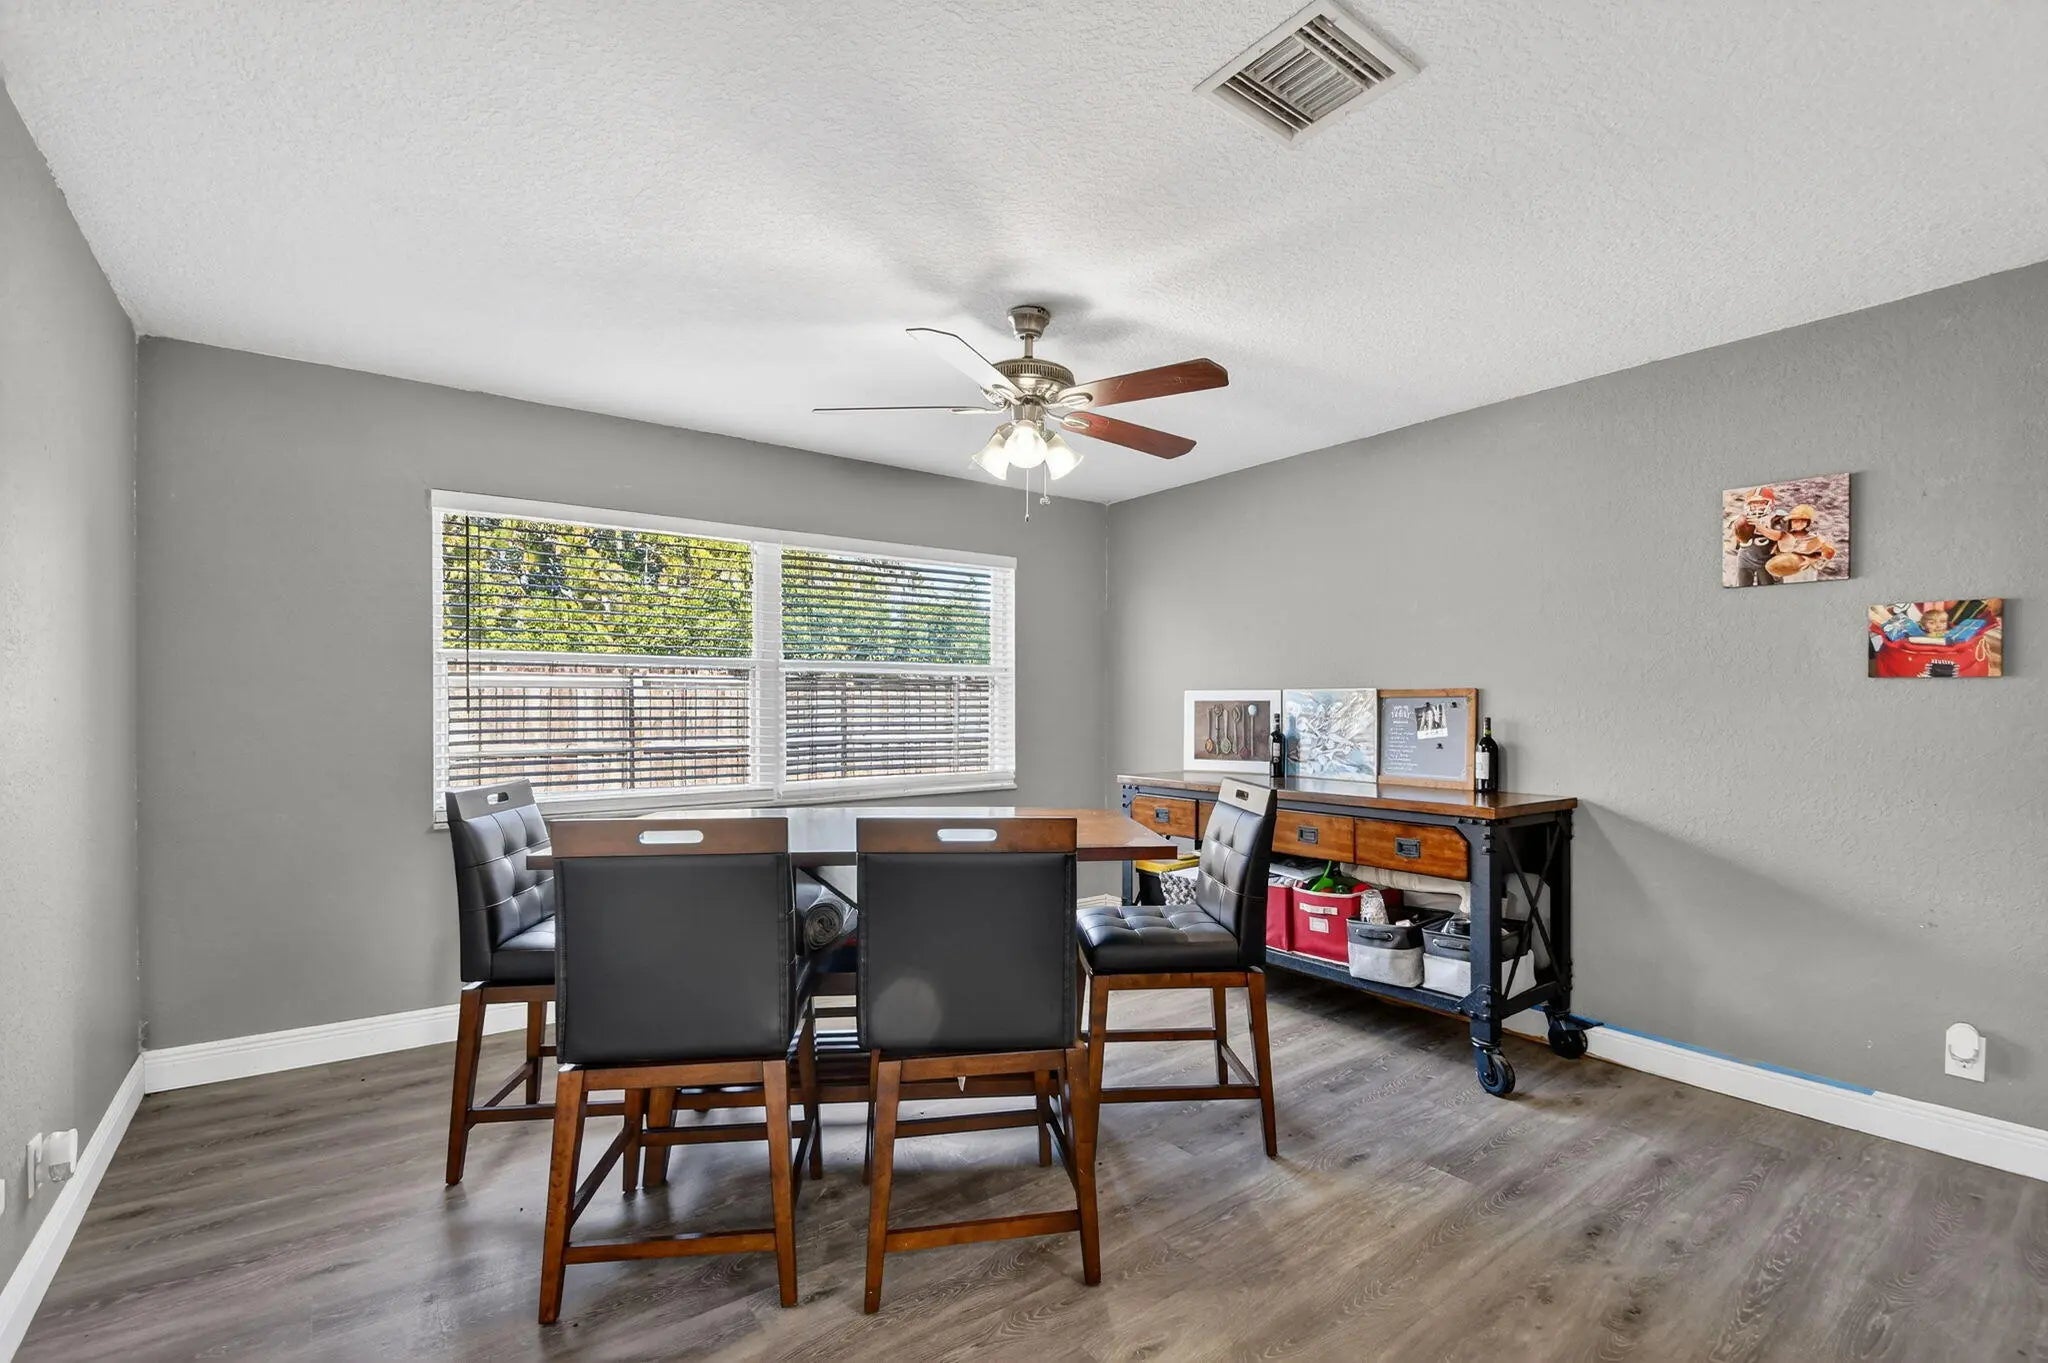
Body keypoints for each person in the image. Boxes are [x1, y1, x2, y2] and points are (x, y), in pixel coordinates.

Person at [1727, 485, 1784, 587]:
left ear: (1770, 504)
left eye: (1761, 503)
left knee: (1767, 586)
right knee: (1742, 587)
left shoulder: (1775, 518)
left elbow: (1778, 536)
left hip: (1766, 560)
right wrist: (1738, 529)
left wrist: (1761, 527)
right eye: (1753, 503)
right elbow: (1733, 544)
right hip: (1744, 560)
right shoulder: (1741, 519)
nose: (1757, 506)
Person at [1770, 504, 1838, 583]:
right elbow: (1777, 554)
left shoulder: (1815, 538)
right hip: (1789, 574)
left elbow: (1828, 553)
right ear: (1790, 522)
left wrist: (1812, 560)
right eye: (1795, 521)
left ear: (1807, 523)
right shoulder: (1784, 537)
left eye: (1803, 521)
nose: (1799, 524)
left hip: (1807, 573)